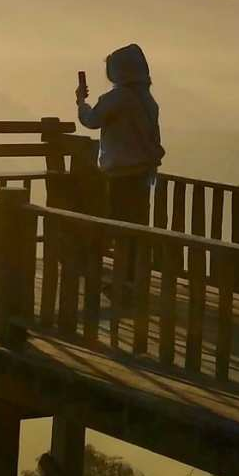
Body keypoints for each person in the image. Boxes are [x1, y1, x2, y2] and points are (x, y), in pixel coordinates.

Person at [76, 43, 164, 291]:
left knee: (119, 226)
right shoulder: (147, 99)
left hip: (121, 173)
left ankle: (122, 281)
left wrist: (81, 101)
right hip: (143, 173)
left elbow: (91, 119)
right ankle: (133, 279)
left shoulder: (119, 98)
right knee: (136, 227)